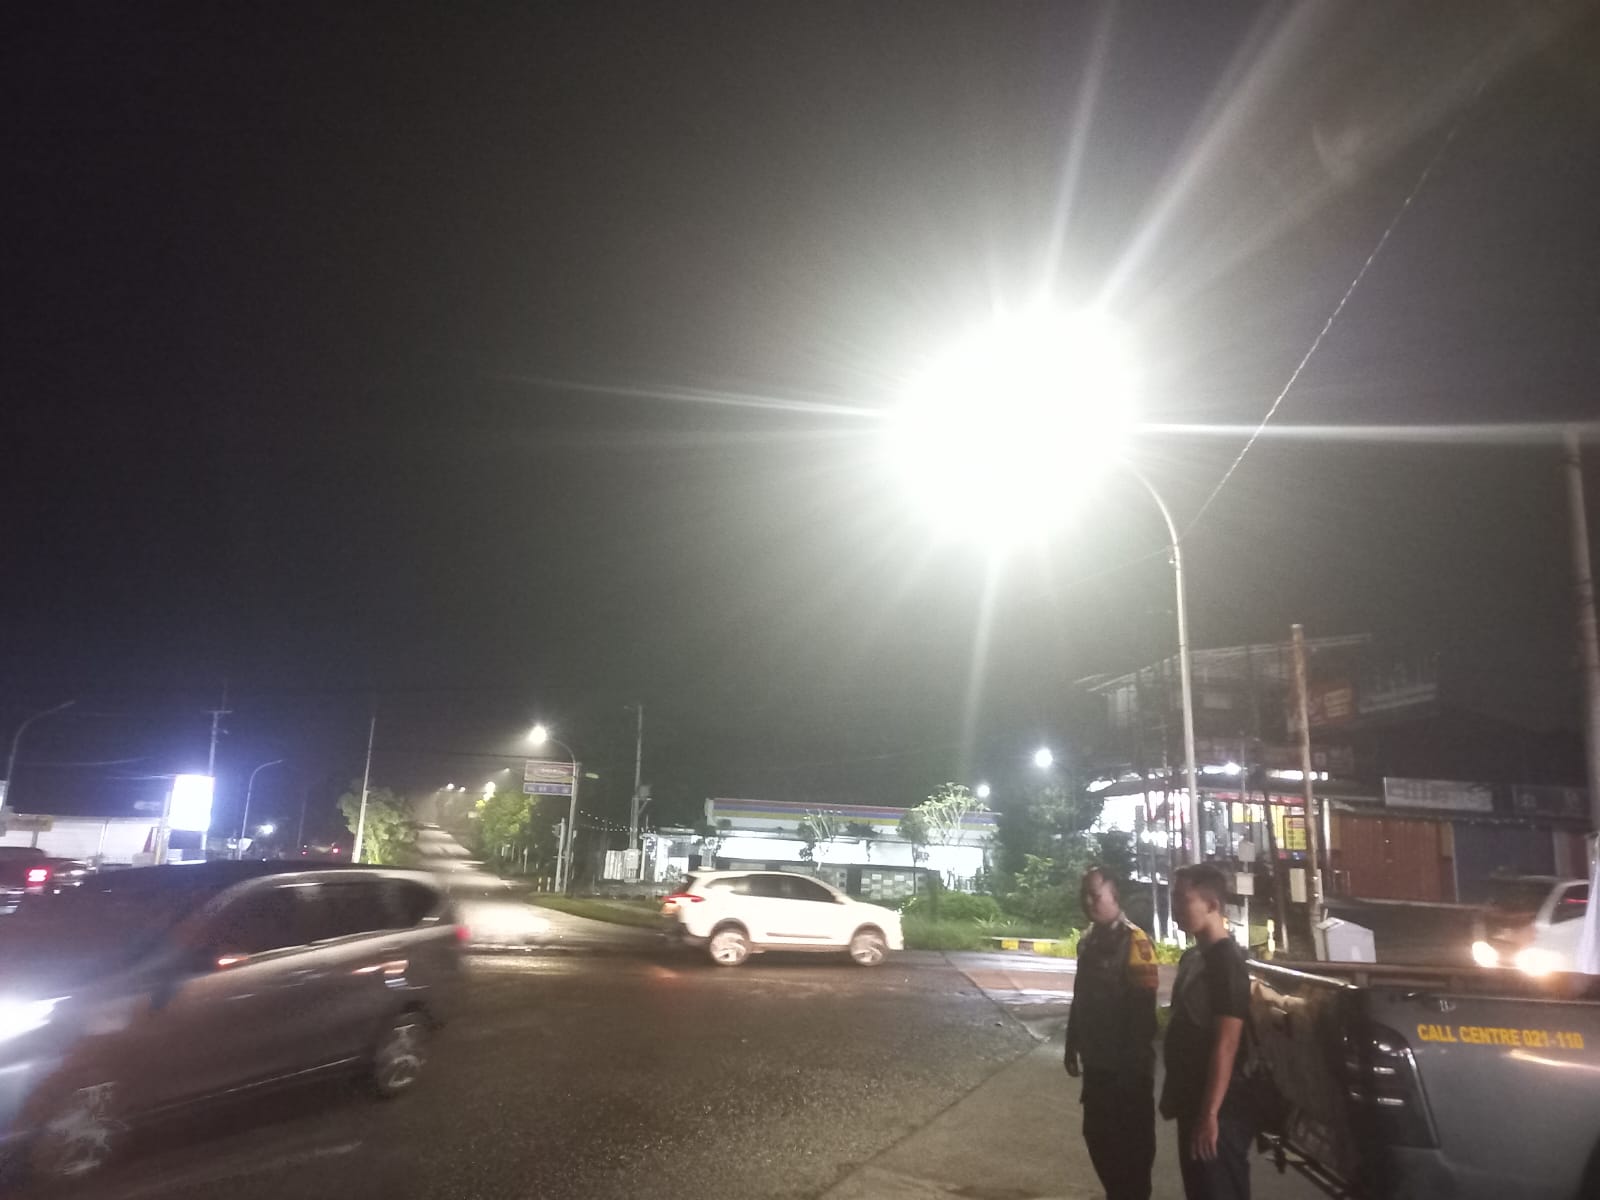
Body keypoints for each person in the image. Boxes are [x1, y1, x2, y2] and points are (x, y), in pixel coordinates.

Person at [1160, 863, 1254, 1200]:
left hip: (1220, 1109)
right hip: (1195, 1101)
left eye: (1182, 899)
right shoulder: (1194, 957)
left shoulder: (1226, 964)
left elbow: (1227, 1043)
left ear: (1212, 905)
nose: (1174, 907)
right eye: (1173, 898)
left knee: (1219, 1189)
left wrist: (1210, 1114)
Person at [1064, 866, 1159, 1200]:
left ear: (1114, 895)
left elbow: (1143, 1014)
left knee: (1132, 1155)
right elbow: (1080, 995)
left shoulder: (1136, 941)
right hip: (1098, 1067)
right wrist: (1072, 1041)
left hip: (1128, 1074)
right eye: (1085, 895)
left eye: (1095, 895)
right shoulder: (1088, 941)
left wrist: (1129, 1070)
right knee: (1098, 1139)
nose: (1089, 901)